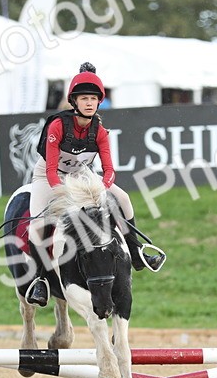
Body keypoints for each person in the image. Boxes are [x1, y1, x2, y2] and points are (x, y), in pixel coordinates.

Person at [23, 63, 166, 307]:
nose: (89, 103)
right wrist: (65, 194)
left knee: (123, 199)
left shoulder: (99, 130)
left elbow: (109, 170)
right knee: (37, 224)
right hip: (50, 177)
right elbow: (50, 170)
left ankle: (137, 252)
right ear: (74, 102)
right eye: (84, 98)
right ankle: (40, 280)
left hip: (82, 175)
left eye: (93, 98)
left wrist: (104, 185)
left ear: (99, 102)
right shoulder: (58, 126)